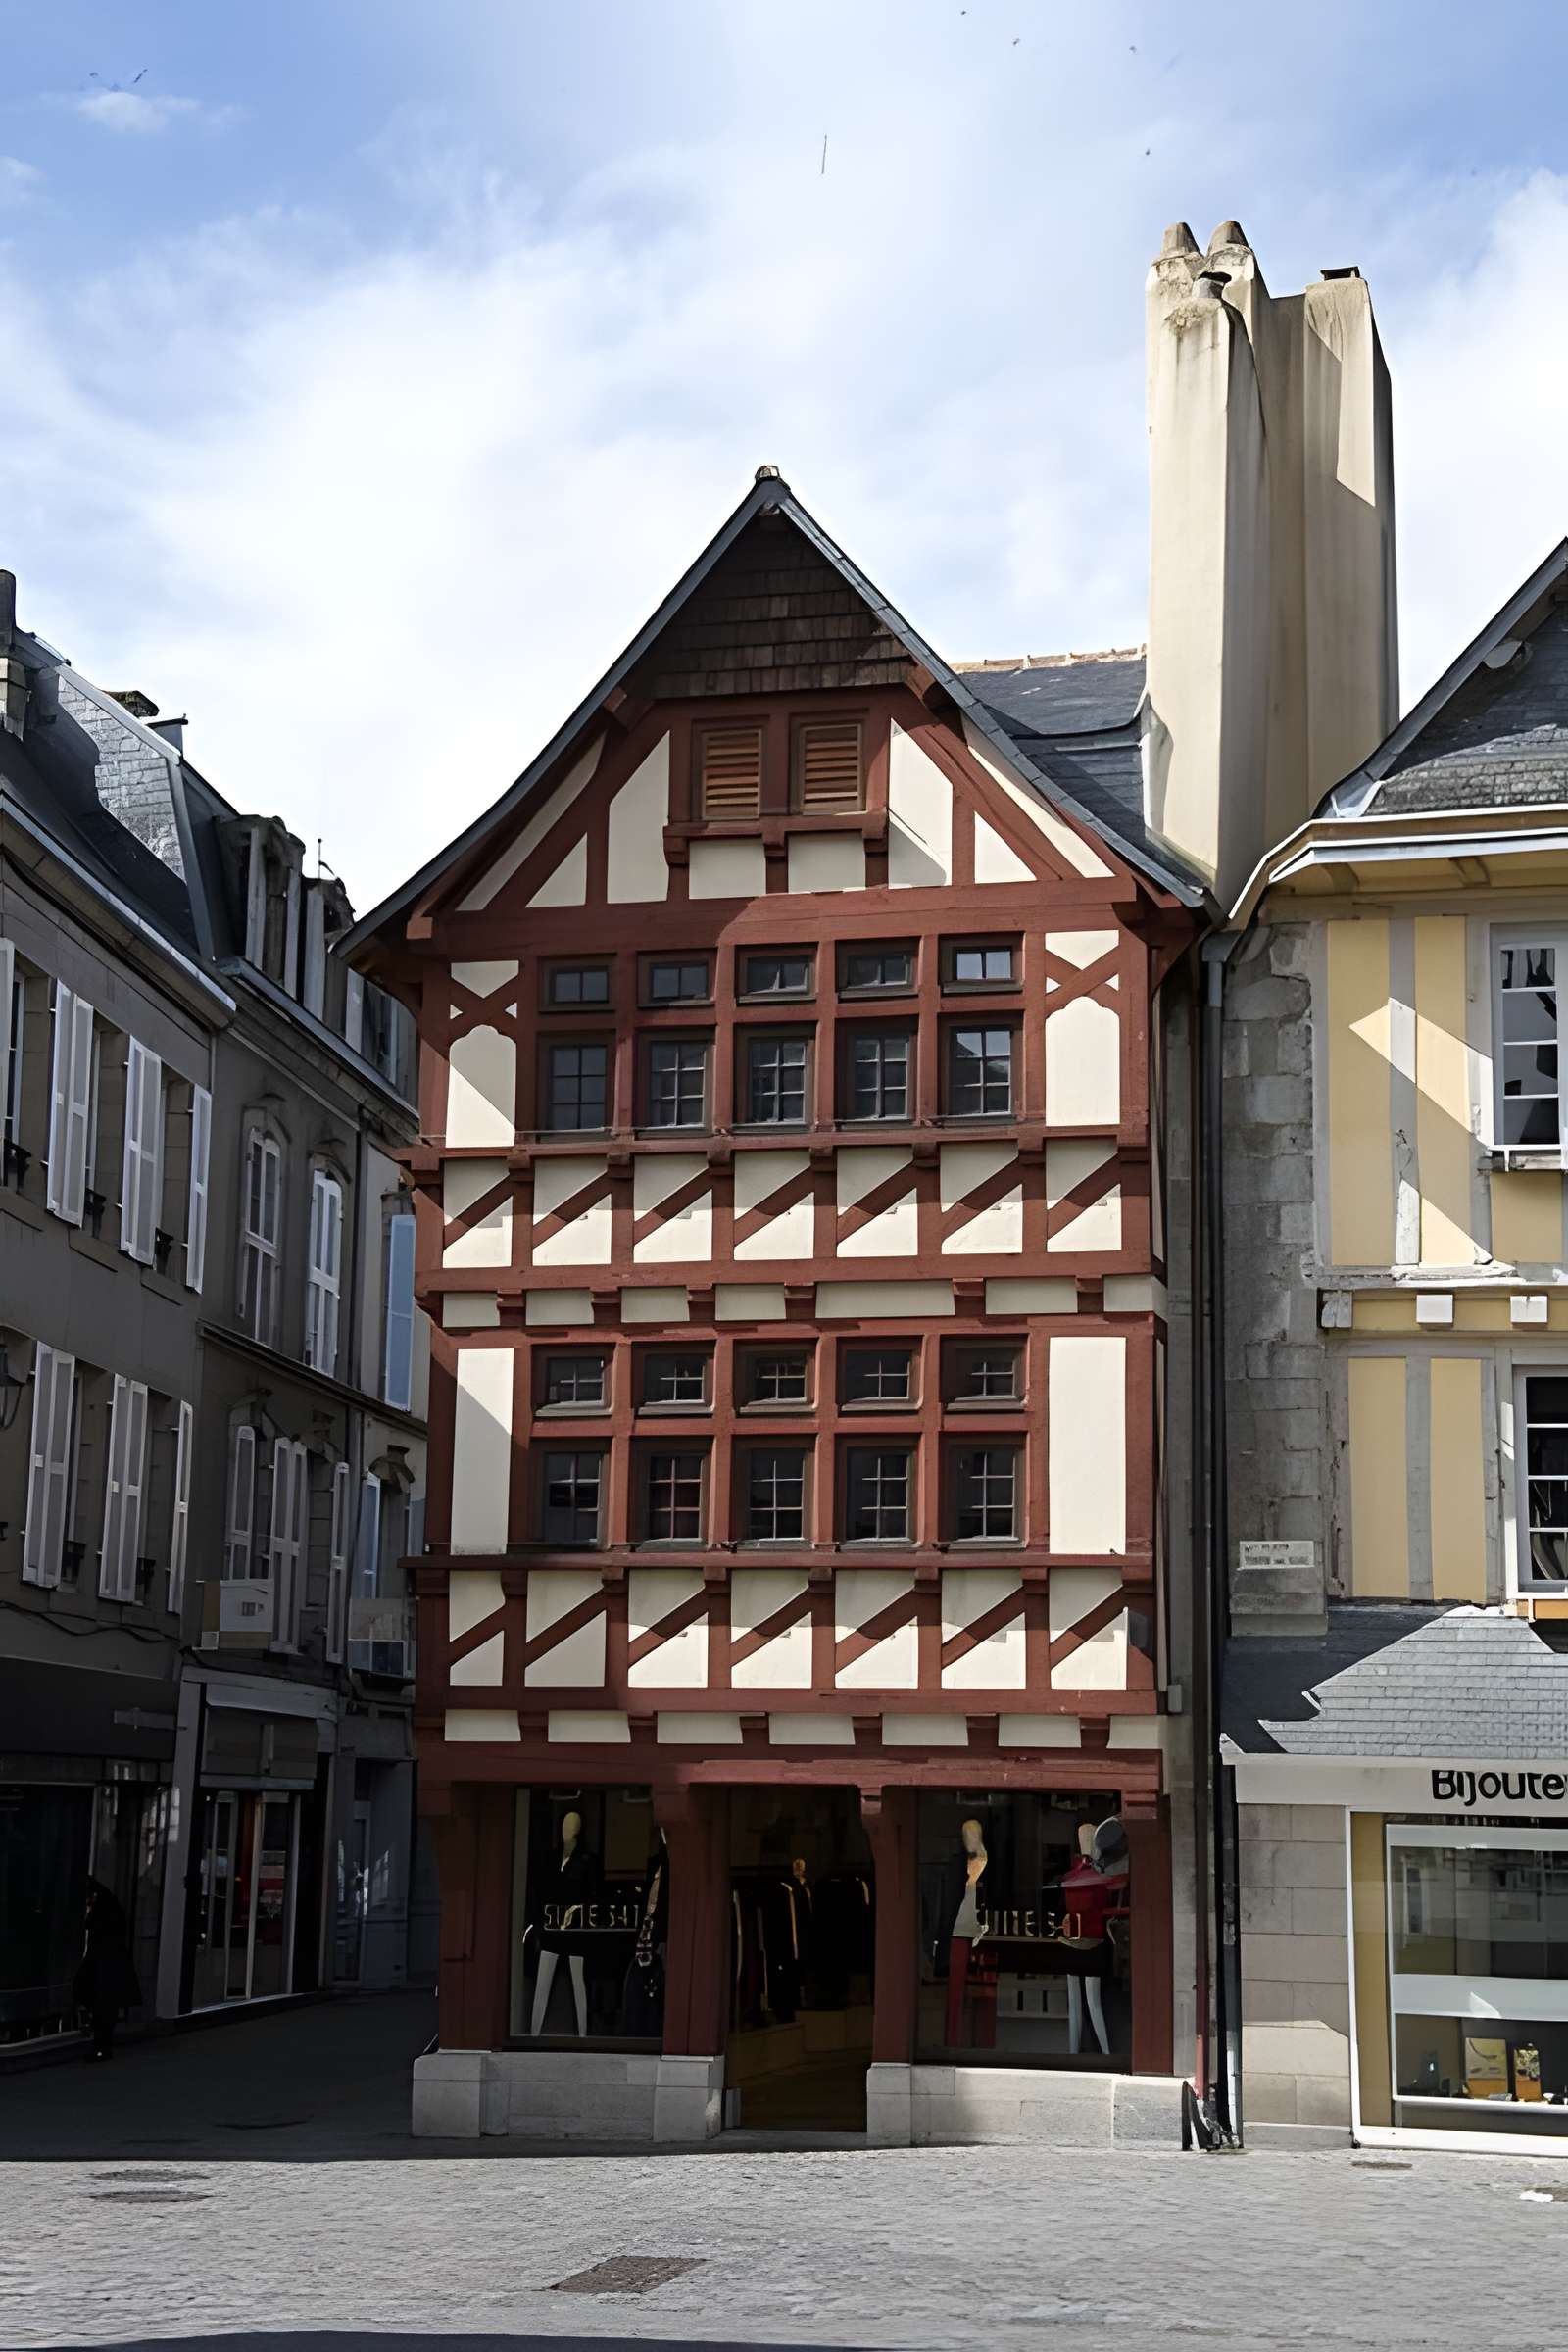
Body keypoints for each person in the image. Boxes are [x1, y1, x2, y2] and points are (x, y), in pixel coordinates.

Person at [74, 1878, 141, 2061]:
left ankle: (101, 2047)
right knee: (103, 2007)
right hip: (108, 1965)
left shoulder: (104, 1911)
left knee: (102, 2007)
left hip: (104, 1966)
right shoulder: (110, 1907)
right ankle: (102, 2045)